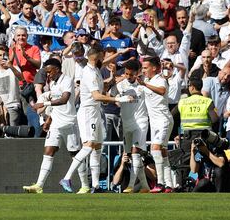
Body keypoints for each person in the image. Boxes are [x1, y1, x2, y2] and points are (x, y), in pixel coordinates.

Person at [59, 45, 134, 193]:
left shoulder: (95, 69)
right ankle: (66, 177)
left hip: (96, 111)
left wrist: (119, 53)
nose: (104, 59)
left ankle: (96, 186)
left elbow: (105, 66)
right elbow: (97, 96)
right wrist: (120, 98)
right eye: (102, 55)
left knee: (98, 147)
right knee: (89, 145)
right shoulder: (89, 73)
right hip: (88, 113)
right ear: (98, 55)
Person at [23, 58, 89, 194]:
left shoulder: (67, 81)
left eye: (49, 71)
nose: (48, 74)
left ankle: (85, 186)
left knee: (74, 154)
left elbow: (64, 99)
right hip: (56, 124)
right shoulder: (53, 83)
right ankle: (39, 185)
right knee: (48, 152)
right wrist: (49, 120)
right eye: (46, 72)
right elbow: (55, 103)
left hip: (69, 123)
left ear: (57, 69)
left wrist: (44, 104)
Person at [136, 56, 174, 193]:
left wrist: (144, 85)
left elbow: (162, 91)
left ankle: (160, 183)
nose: (143, 70)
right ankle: (169, 185)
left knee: (155, 149)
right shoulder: (146, 81)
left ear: (154, 68)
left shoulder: (160, 79)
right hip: (154, 122)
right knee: (162, 153)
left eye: (146, 68)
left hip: (163, 119)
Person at [116, 59, 151, 193]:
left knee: (136, 152)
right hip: (126, 123)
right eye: (126, 74)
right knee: (131, 154)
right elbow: (110, 96)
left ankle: (130, 186)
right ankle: (146, 187)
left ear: (137, 73)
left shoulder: (143, 85)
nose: (128, 77)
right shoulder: (121, 85)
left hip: (140, 122)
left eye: (131, 74)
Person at [0, 45, 24, 126]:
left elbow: (21, 78)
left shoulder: (14, 68)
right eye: (0, 55)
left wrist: (10, 66)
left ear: (8, 55)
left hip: (13, 106)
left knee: (12, 134)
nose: (2, 57)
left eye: (4, 54)